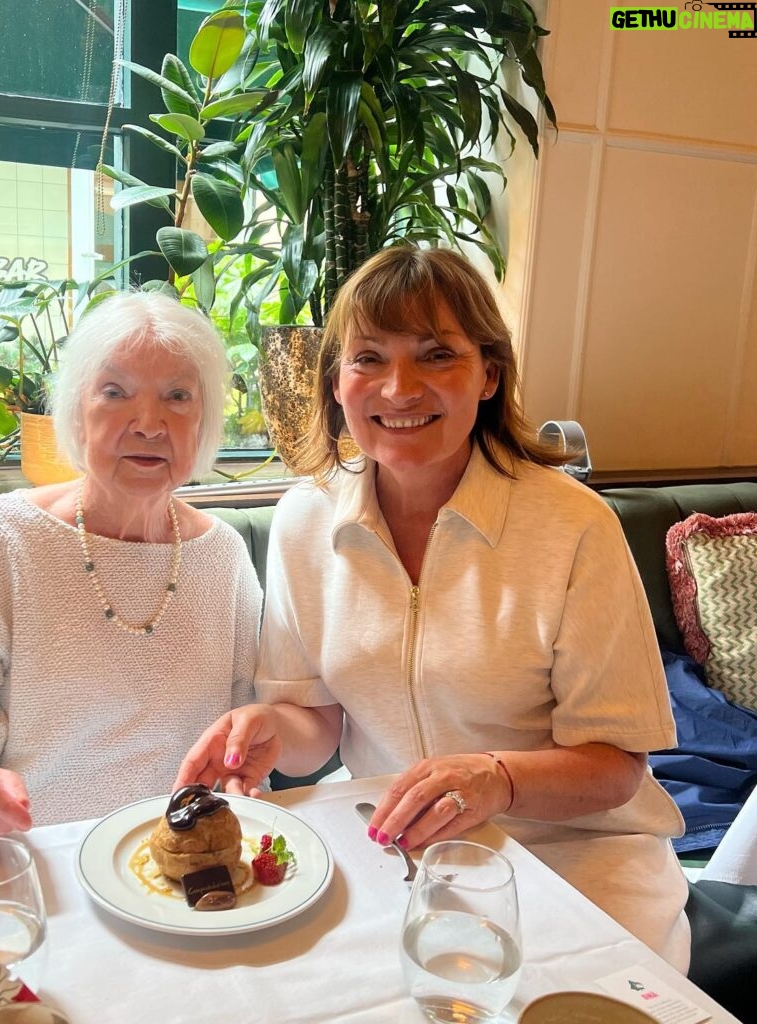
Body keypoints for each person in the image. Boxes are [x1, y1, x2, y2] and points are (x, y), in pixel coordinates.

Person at [176, 245, 690, 968]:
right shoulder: (305, 521)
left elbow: (614, 767)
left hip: (579, 857)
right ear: (336, 383)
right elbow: (317, 724)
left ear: (489, 374)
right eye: (368, 359)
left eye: (436, 355)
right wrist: (268, 728)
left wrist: (497, 779)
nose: (399, 388)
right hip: (390, 843)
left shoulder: (575, 526)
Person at [0, 292, 262, 849]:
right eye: (115, 393)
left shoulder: (223, 556)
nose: (150, 423)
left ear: (203, 420)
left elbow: (250, 735)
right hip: (36, 865)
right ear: (76, 412)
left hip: (188, 874)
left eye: (177, 396)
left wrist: (243, 781)